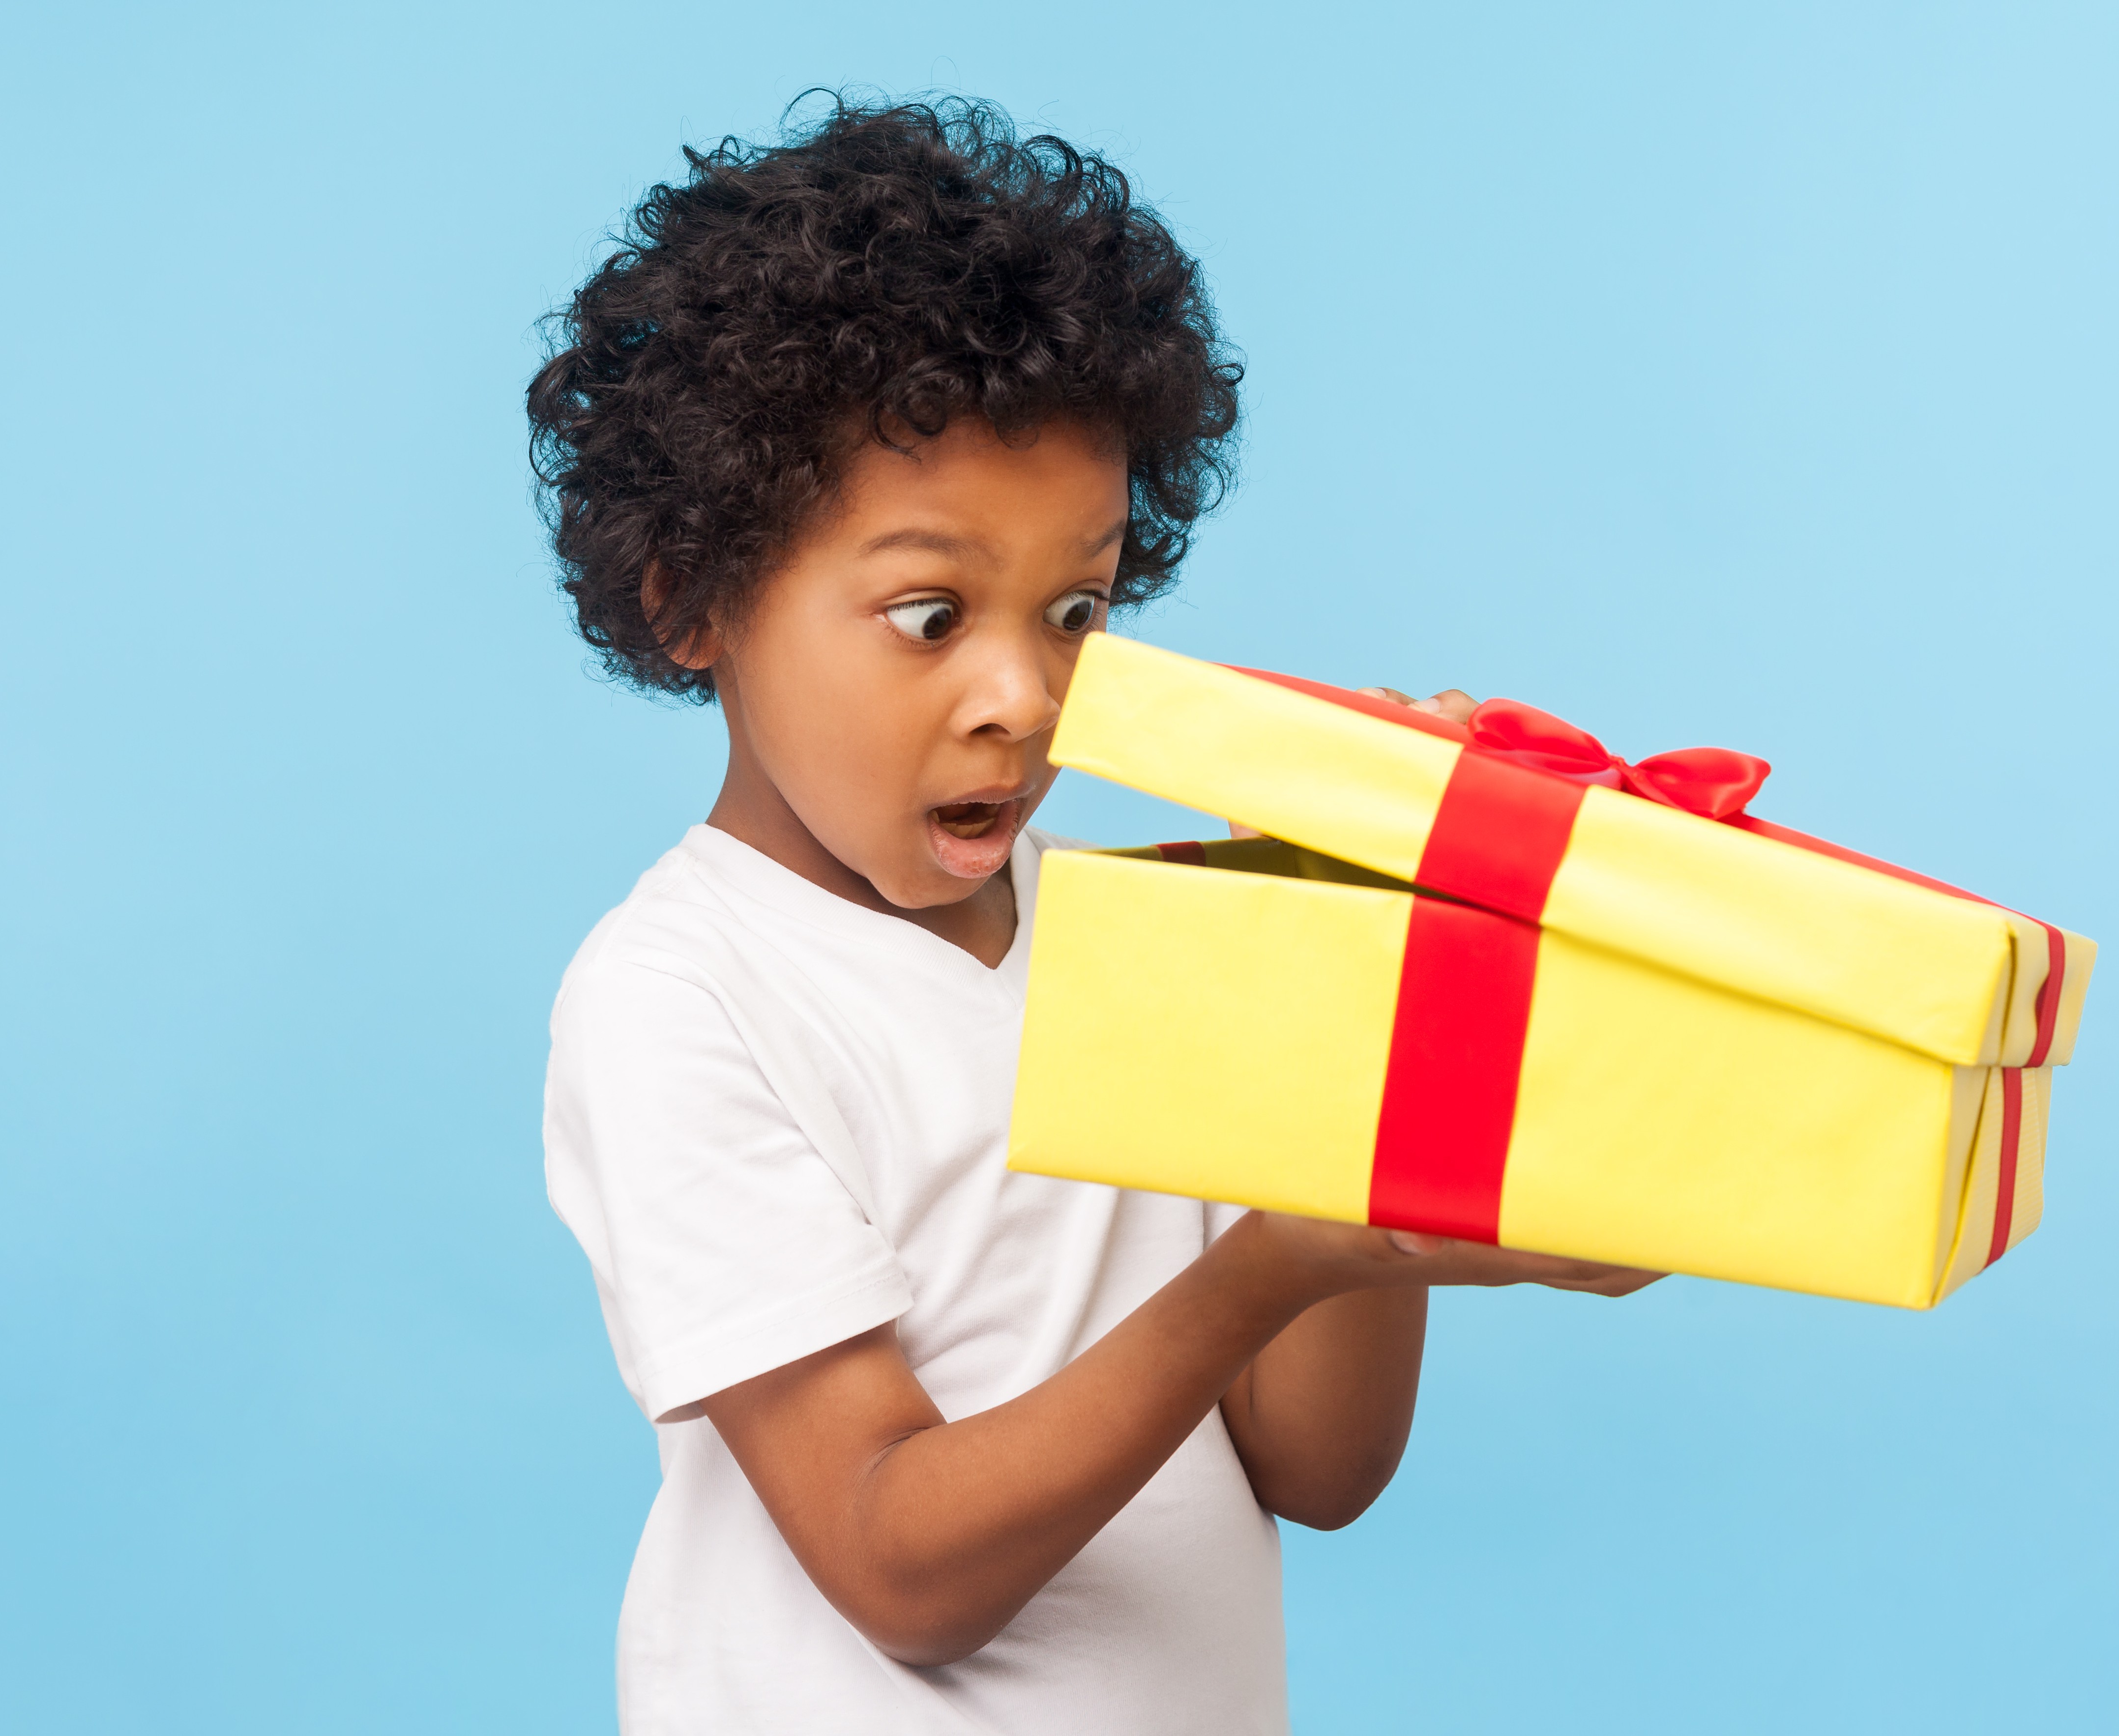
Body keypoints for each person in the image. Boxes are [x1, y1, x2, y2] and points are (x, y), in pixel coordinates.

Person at [530, 96, 1661, 1736]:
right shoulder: (678, 993)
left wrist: (1368, 973)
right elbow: (896, 1563)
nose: (1026, 693)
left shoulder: (1138, 937)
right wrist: (1259, 1270)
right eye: (930, 615)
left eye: (1078, 608)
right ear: (689, 593)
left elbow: (1317, 1466)